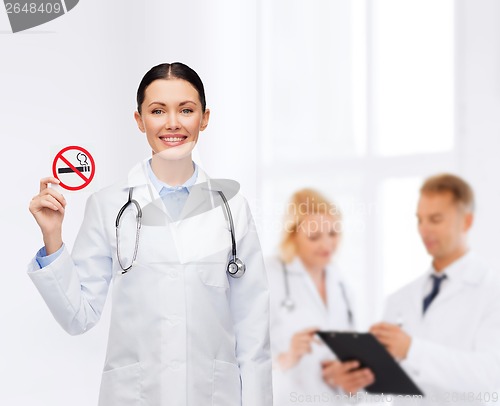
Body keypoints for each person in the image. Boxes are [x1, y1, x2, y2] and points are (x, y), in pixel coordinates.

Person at [27, 62, 273, 405]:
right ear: (140, 120)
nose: (173, 123)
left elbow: (253, 331)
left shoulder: (232, 208)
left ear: (204, 118)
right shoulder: (107, 205)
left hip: (214, 394)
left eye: (186, 110)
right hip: (136, 395)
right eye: (158, 111)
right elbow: (77, 316)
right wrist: (52, 236)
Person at [334, 174, 500, 404]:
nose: (423, 230)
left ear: (467, 222)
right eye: (419, 220)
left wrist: (412, 350)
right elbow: (383, 391)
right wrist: (355, 385)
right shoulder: (399, 299)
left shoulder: (491, 292)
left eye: (435, 219)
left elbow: (489, 376)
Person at [266, 188, 356, 405]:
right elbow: (243, 354)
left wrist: (344, 373)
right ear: (293, 235)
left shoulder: (339, 281)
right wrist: (287, 357)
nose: (327, 245)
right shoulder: (269, 274)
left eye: (333, 233)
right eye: (314, 236)